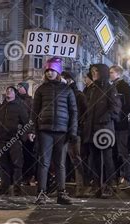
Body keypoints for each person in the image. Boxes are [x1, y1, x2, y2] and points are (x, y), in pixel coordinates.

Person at [33, 57, 78, 205]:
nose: (49, 73)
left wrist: (73, 131)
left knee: (60, 163)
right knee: (44, 163)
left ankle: (61, 193)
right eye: (47, 71)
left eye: (52, 70)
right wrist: (34, 129)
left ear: (58, 72)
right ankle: (41, 193)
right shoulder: (40, 89)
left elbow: (73, 111)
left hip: (62, 131)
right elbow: (35, 112)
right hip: (45, 130)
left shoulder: (67, 90)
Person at [83, 63, 121, 198]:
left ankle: (109, 185)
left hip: (104, 129)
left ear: (102, 73)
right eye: (92, 72)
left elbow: (116, 108)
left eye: (96, 72)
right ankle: (96, 186)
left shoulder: (110, 88)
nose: (93, 74)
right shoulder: (91, 89)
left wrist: (104, 117)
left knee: (107, 158)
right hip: (91, 129)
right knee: (94, 158)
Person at [0, 86, 29, 196]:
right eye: (7, 90)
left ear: (15, 94)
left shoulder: (20, 107)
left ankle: (17, 189)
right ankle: (4, 188)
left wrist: (22, 136)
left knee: (17, 165)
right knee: (2, 165)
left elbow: (27, 123)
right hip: (0, 140)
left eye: (11, 91)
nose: (8, 92)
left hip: (14, 140)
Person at [61, 71, 89, 197]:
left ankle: (80, 187)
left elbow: (85, 112)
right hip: (61, 131)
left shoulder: (78, 95)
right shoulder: (62, 93)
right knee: (60, 161)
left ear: (69, 80)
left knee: (76, 159)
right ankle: (61, 188)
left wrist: (78, 125)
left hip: (74, 132)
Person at [110, 65, 130, 189]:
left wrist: (121, 116)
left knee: (123, 151)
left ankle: (127, 178)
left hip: (121, 125)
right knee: (114, 152)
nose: (110, 74)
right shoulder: (111, 86)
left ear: (118, 73)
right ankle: (115, 177)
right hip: (112, 124)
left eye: (112, 72)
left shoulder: (124, 86)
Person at [16, 82, 36, 186]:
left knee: (28, 155)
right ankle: (18, 177)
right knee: (18, 156)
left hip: (26, 133)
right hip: (15, 133)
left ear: (25, 88)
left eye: (20, 87)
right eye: (18, 87)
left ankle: (28, 176)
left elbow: (32, 117)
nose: (18, 89)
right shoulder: (15, 100)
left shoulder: (30, 101)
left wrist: (31, 131)